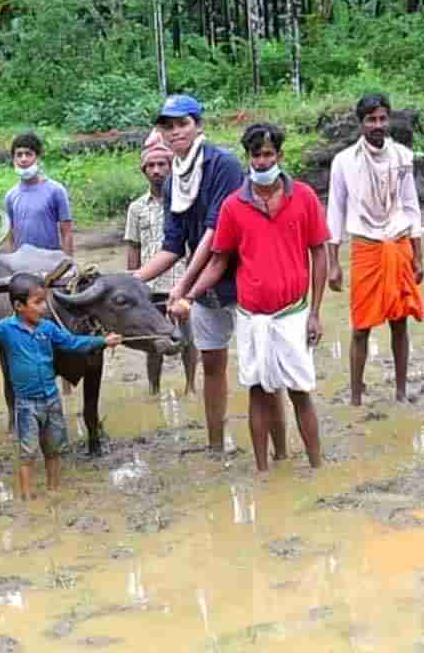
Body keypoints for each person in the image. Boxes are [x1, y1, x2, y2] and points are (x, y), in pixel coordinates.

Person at [177, 124, 329, 472]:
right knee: (258, 391)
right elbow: (219, 261)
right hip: (251, 315)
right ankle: (262, 471)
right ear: (247, 159)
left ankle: (317, 466)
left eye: (267, 154)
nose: (261, 162)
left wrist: (316, 312)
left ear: (279, 156)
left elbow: (319, 253)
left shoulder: (303, 196)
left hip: (293, 313)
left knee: (300, 391)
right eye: (255, 156)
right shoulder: (234, 206)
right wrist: (190, 293)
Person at [135, 94, 247, 453]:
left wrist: (183, 288)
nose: (175, 132)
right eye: (167, 126)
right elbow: (172, 246)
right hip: (205, 287)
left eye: (182, 123)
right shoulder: (172, 183)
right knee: (212, 365)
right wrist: (133, 279)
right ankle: (215, 447)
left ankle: (274, 446)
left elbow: (215, 236)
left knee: (261, 370)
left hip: (242, 279)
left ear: (198, 125)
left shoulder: (223, 166)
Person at [0, 273, 121, 499]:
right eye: (37, 303)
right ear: (19, 306)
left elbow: (72, 343)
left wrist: (101, 341)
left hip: (51, 399)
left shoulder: (48, 328)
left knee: (54, 449)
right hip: (26, 404)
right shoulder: (5, 329)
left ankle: (53, 490)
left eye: (44, 301)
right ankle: (26, 496)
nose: (43, 307)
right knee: (28, 452)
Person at [326, 93, 424, 405]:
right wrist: (333, 263)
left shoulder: (403, 157)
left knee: (400, 321)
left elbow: (412, 207)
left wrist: (418, 256)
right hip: (366, 247)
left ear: (389, 120)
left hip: (398, 244)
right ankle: (355, 397)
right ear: (361, 124)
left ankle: (400, 392)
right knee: (361, 327)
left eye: (383, 118)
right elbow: (335, 212)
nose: (378, 125)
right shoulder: (343, 162)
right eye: (371, 119)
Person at [124, 129, 198, 395]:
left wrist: (195, 281)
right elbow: (133, 248)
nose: (156, 170)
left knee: (188, 338)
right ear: (144, 170)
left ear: (171, 167)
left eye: (162, 164)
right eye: (151, 166)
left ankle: (190, 388)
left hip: (183, 281)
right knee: (152, 342)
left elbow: (194, 245)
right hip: (149, 286)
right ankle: (154, 389)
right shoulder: (136, 208)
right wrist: (132, 283)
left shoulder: (186, 202)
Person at [4, 132, 74, 255]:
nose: (23, 159)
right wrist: (10, 262)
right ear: (14, 159)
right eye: (19, 155)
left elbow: (66, 232)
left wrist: (69, 264)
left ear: (38, 157)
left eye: (28, 154)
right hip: (22, 265)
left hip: (50, 263)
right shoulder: (10, 196)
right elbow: (10, 235)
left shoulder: (56, 190)